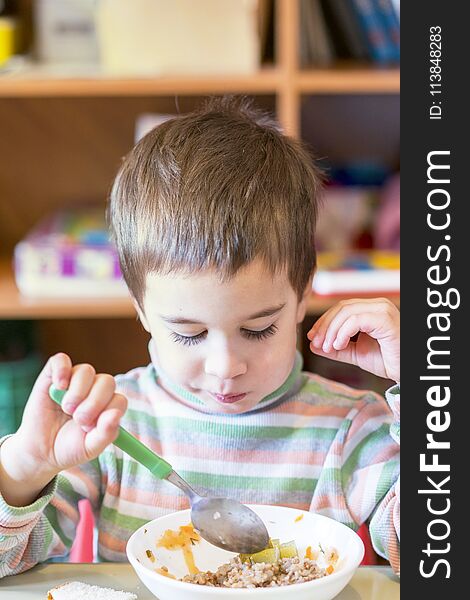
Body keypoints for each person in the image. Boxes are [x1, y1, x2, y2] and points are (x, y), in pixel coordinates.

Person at [0, 97, 400, 577]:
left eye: (258, 328)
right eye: (189, 334)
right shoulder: (110, 429)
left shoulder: (350, 431)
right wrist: (23, 469)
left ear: (301, 294)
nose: (224, 365)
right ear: (140, 308)